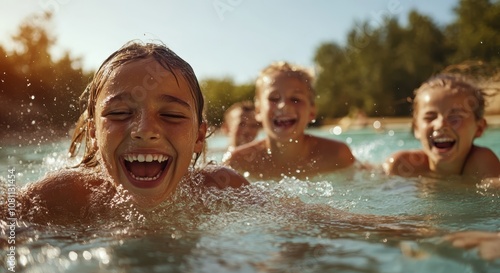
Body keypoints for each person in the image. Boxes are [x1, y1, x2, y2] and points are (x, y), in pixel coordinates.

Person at [8, 41, 249, 224]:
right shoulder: (66, 195)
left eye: (172, 115)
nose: (144, 130)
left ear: (198, 137)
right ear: (93, 133)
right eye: (120, 113)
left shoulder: (221, 188)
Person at [223, 61, 355, 180]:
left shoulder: (336, 155)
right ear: (258, 111)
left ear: (312, 112)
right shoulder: (238, 162)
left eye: (295, 99)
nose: (283, 106)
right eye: (274, 98)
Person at [383, 74, 500, 185]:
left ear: (479, 128)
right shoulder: (403, 166)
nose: (441, 125)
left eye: (455, 117)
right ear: (416, 128)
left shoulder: (481, 164)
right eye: (430, 117)